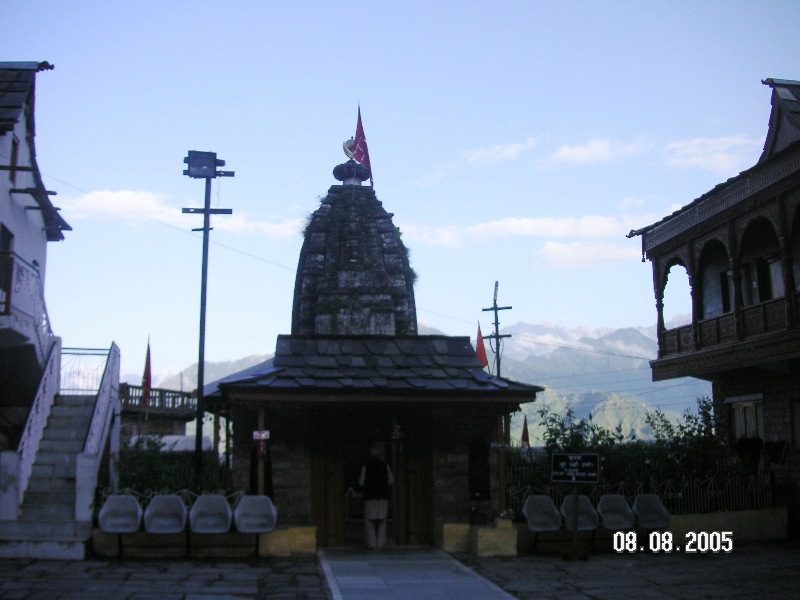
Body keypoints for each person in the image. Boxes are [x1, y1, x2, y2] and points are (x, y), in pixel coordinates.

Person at [359, 445, 393, 550]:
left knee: (370, 521)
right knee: (382, 521)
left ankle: (372, 544)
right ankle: (381, 544)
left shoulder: (366, 466)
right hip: (383, 496)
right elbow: (391, 480)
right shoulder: (385, 465)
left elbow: (361, 482)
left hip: (370, 497)